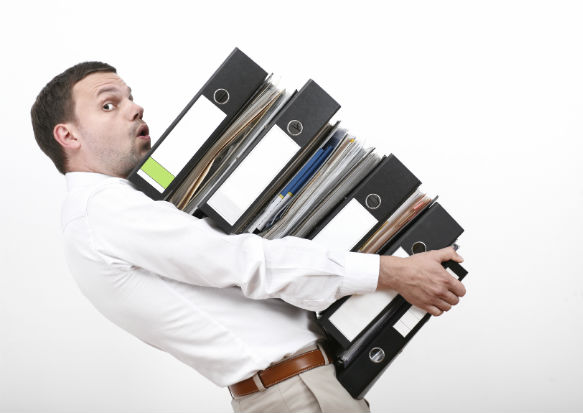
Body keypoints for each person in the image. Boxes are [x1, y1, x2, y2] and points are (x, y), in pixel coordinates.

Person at [31, 61, 466, 413]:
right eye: (109, 105)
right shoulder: (103, 210)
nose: (135, 108)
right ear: (67, 135)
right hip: (295, 395)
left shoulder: (116, 208)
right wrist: (391, 272)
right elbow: (246, 262)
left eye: (131, 97)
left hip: (299, 387)